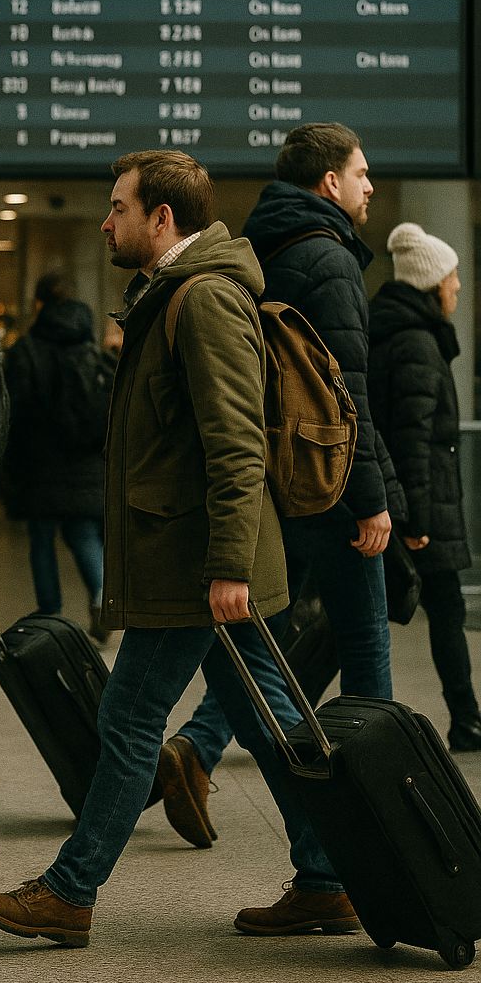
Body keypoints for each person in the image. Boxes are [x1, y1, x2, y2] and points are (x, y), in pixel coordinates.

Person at [0, 151, 357, 947]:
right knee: (266, 717)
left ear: (162, 219)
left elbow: (237, 443)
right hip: (197, 560)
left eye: (118, 208)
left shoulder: (203, 299)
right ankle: (326, 878)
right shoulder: (174, 295)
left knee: (132, 714)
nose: (107, 223)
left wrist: (227, 566)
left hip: (198, 566)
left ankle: (71, 892)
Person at [157, 123, 407, 848]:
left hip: (280, 480)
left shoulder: (260, 247)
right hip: (328, 482)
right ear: (329, 181)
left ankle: (201, 746)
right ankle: (376, 809)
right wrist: (372, 499)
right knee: (364, 642)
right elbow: (342, 393)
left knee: (281, 630)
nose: (369, 187)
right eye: (361, 174)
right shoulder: (330, 260)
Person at [369, 223, 481, 752]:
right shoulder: (416, 343)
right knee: (440, 613)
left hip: (417, 500)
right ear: (432, 282)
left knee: (429, 611)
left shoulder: (408, 335)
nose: (458, 286)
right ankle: (467, 719)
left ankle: (467, 717)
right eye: (452, 276)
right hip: (423, 504)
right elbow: (411, 434)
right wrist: (415, 519)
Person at [3, 271, 111, 641]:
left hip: (41, 460)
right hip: (87, 459)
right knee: (83, 532)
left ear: (38, 304)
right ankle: (101, 598)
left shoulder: (26, 350)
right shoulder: (89, 346)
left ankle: (50, 612)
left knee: (42, 537)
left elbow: (14, 412)